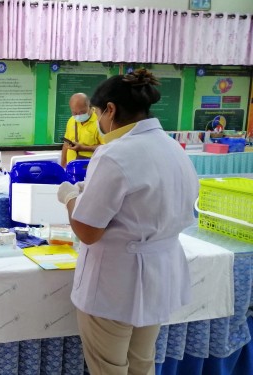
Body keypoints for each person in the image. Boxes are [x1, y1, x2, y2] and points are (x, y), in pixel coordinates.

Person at [56, 69, 199, 375]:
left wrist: (70, 197)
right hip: (159, 276)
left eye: (95, 114)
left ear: (110, 110)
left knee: (109, 367)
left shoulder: (114, 154)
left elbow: (87, 231)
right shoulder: (173, 147)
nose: (95, 122)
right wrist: (88, 193)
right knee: (142, 363)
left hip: (115, 282)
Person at [60, 93, 103, 168]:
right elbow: (66, 145)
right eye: (75, 113)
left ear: (90, 107)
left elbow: (106, 147)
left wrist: (83, 148)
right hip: (71, 168)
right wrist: (63, 166)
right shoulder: (71, 121)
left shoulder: (100, 121)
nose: (78, 115)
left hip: (91, 169)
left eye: (82, 112)